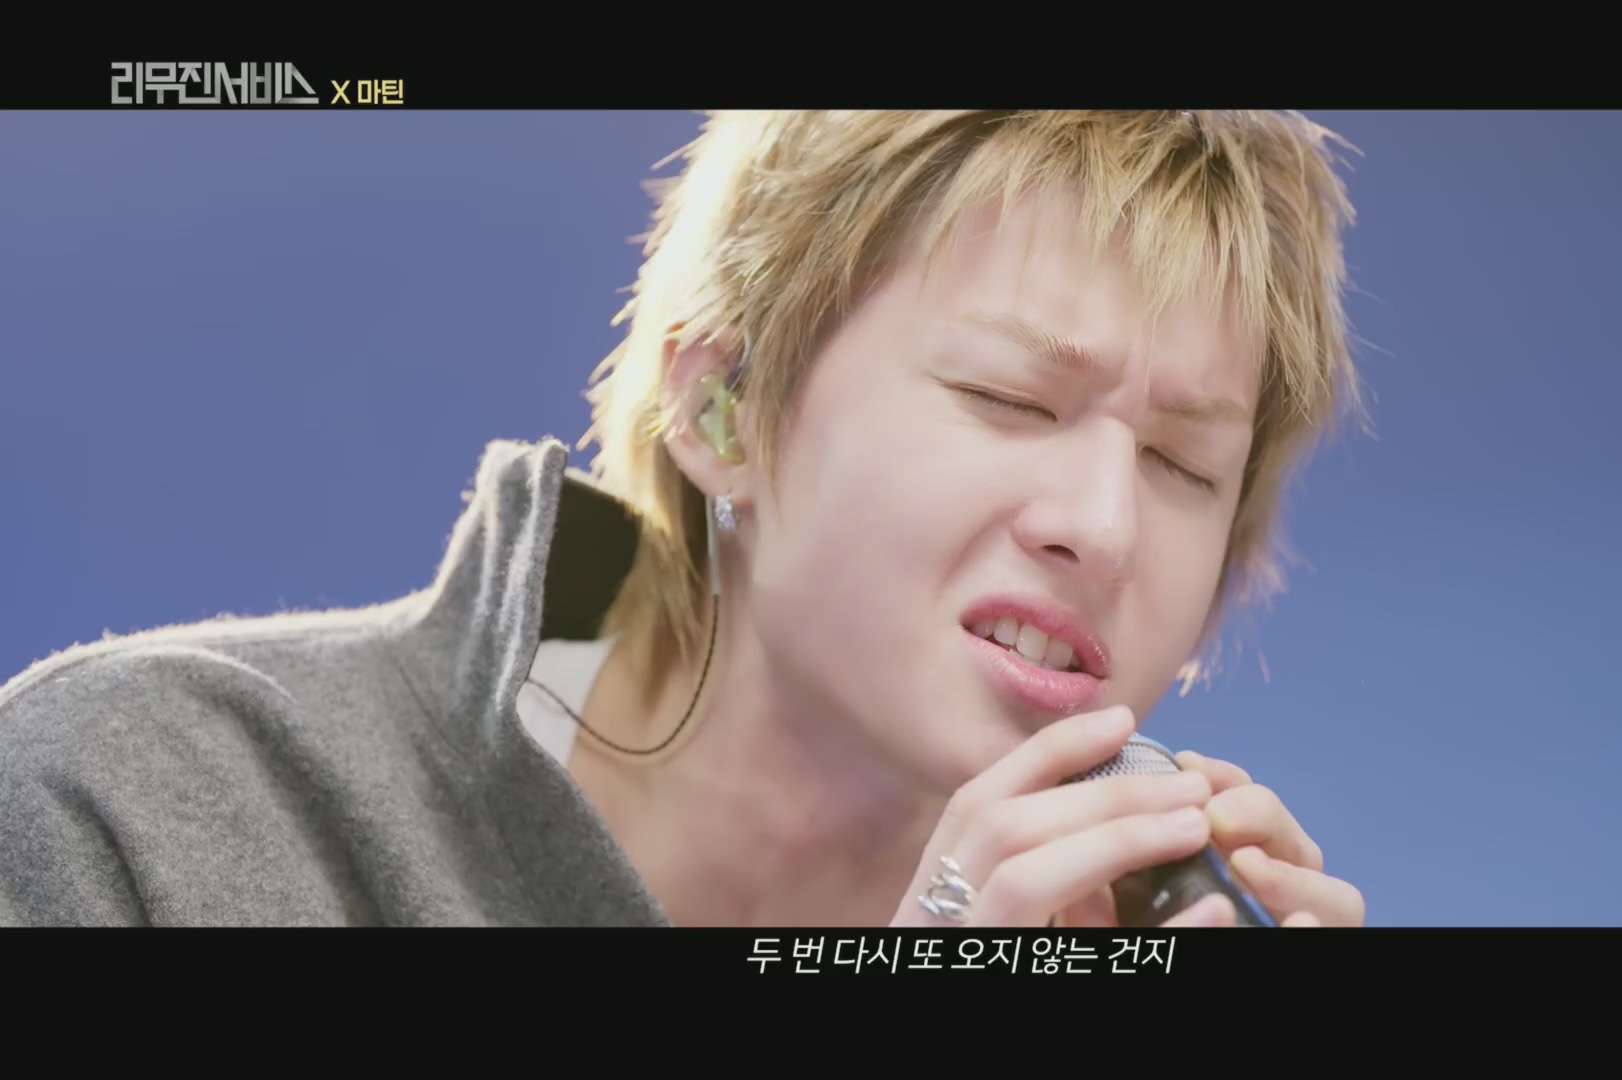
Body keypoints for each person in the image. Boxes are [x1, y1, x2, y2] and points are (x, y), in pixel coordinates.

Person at [0, 110, 1368, 928]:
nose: (1106, 526)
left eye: (1185, 467)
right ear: (722, 411)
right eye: (1008, 398)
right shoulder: (137, 806)